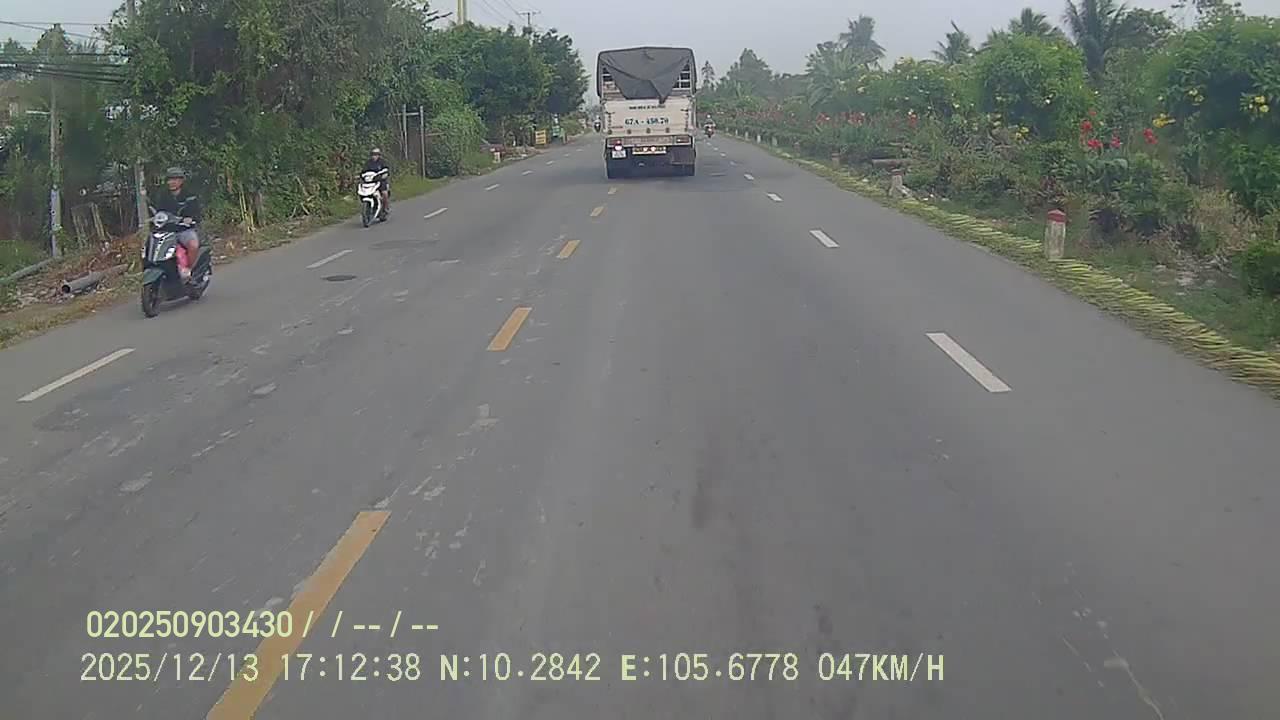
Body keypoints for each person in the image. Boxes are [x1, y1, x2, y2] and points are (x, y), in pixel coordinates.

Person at [154, 167, 202, 281]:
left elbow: (197, 213)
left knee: (193, 245)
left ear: (181, 181)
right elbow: (159, 212)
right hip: (166, 231)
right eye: (169, 179)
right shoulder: (163, 195)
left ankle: (189, 270)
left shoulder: (189, 195)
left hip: (184, 230)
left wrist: (190, 219)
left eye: (175, 179)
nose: (172, 182)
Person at [363, 148, 391, 216]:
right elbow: (363, 171)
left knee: (384, 193)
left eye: (376, 154)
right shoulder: (368, 163)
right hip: (371, 182)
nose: (374, 156)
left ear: (379, 155)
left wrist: (385, 175)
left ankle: (385, 208)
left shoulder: (382, 162)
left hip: (381, 181)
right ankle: (368, 207)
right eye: (373, 154)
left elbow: (386, 170)